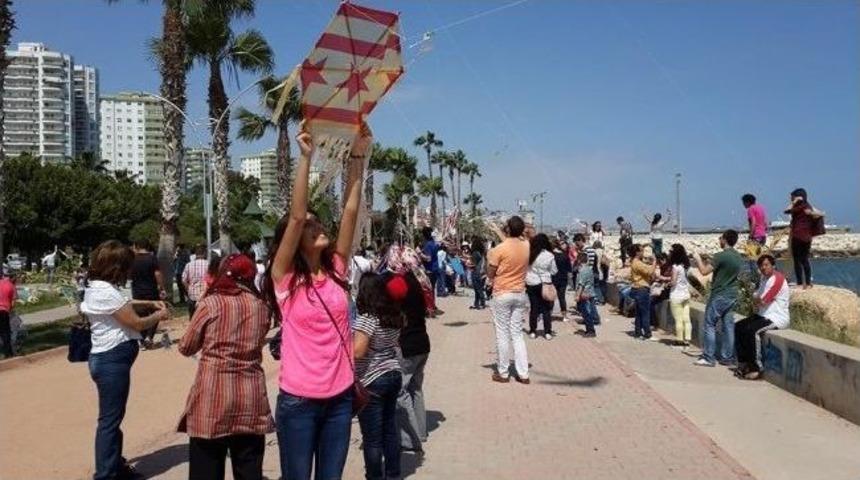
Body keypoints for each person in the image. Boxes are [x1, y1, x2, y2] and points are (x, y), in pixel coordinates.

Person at [262, 120, 370, 480]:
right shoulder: (286, 280)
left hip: (340, 398)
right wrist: (305, 157)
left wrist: (357, 156)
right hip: (299, 402)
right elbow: (296, 217)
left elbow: (350, 211)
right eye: (310, 226)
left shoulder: (337, 269)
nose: (317, 226)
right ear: (294, 239)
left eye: (317, 222)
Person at [177, 254, 274, 480]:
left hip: (213, 397)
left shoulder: (211, 304)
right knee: (249, 469)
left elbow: (186, 347)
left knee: (206, 468)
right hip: (250, 396)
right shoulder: (261, 306)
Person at [81, 240, 170, 480]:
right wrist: (159, 314)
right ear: (118, 267)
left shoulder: (97, 287)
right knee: (109, 421)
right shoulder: (106, 292)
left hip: (107, 358)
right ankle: (106, 474)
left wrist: (147, 302)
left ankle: (115, 465)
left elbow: (122, 305)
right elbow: (137, 323)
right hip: (112, 360)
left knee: (113, 417)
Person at [353, 273, 407, 480]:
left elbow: (358, 351)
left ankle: (374, 476)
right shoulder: (392, 315)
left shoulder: (368, 319)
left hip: (373, 378)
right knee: (389, 430)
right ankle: (393, 474)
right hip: (393, 373)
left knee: (372, 438)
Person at [486, 216, 531, 384]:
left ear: (508, 229)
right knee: (517, 334)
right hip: (520, 293)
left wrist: (489, 262)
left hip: (502, 293)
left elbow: (490, 273)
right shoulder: (526, 246)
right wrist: (498, 231)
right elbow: (513, 243)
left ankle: (503, 373)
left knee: (502, 333)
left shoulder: (499, 249)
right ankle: (523, 373)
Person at [734, 254, 790, 380]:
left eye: (766, 265)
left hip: (776, 318)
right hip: (763, 315)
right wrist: (757, 299)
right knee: (739, 326)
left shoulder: (777, 279)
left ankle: (756, 369)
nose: (763, 268)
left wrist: (756, 299)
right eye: (761, 266)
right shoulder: (764, 279)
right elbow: (756, 299)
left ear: (773, 266)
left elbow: (762, 301)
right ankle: (743, 362)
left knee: (752, 331)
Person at [693, 229, 744, 367]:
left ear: (725, 239)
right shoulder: (738, 257)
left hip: (719, 293)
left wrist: (697, 259)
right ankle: (727, 357)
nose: (719, 240)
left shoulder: (720, 256)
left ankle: (708, 357)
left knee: (709, 324)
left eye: (720, 237)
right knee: (728, 326)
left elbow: (704, 272)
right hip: (732, 294)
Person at [397, 270, 431, 453]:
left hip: (407, 346)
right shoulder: (418, 282)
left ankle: (410, 438)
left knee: (400, 391)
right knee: (415, 389)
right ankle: (421, 432)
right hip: (422, 343)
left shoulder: (400, 285)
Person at [130, 240, 165, 348]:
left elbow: (129, 275)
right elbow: (157, 274)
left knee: (141, 315)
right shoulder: (152, 258)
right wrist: (161, 287)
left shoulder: (133, 259)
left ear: (137, 246)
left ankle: (142, 339)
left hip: (137, 291)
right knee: (156, 312)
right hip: (151, 290)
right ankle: (149, 337)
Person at [526, 233, 558, 340]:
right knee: (546, 309)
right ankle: (547, 332)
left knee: (534, 308)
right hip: (545, 283)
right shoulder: (549, 255)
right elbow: (554, 271)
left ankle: (532, 331)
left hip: (531, 283)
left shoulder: (530, 253)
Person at [784, 188, 816, 289]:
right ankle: (808, 282)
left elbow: (786, 210)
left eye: (792, 197)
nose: (791, 199)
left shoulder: (799, 206)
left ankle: (800, 282)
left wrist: (794, 202)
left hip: (798, 236)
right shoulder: (808, 205)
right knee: (805, 259)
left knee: (797, 260)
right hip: (807, 237)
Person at [668, 244, 692, 350]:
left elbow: (673, 282)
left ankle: (679, 340)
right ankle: (687, 340)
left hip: (676, 295)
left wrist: (667, 284)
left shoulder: (675, 267)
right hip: (686, 294)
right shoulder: (686, 266)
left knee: (678, 319)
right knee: (686, 319)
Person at [629, 244, 655, 340]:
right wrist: (654, 262)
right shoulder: (637, 263)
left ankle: (638, 332)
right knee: (645, 313)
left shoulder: (634, 262)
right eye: (641, 250)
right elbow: (649, 272)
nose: (643, 252)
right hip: (642, 288)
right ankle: (647, 333)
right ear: (637, 252)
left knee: (639, 313)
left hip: (637, 288)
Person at [574, 253, 599, 337]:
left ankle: (591, 331)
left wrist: (577, 295)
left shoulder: (583, 271)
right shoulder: (588, 269)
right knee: (587, 312)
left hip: (585, 295)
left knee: (587, 314)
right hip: (590, 293)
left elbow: (581, 284)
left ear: (579, 260)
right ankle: (589, 330)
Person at [182, 245, 209, 318]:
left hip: (192, 295)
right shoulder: (209, 264)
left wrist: (188, 289)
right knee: (204, 318)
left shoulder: (188, 265)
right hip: (205, 296)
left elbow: (184, 280)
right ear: (205, 253)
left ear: (195, 254)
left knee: (193, 319)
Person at [551, 240, 572, 322]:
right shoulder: (565, 256)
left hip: (553, 278)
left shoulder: (551, 255)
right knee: (562, 297)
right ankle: (564, 316)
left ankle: (549, 314)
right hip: (563, 279)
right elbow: (569, 269)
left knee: (551, 297)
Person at [419, 227, 440, 308]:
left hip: (429, 269)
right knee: (432, 288)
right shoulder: (434, 243)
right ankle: (433, 305)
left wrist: (419, 253)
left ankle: (429, 306)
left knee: (427, 289)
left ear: (424, 235)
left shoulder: (428, 245)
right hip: (435, 268)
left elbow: (428, 258)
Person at [0, 272, 18, 358]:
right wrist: (10, 310)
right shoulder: (11, 286)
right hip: (4, 311)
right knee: (5, 332)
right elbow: (13, 303)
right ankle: (8, 353)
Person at [470, 236, 488, 310]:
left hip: (476, 272)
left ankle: (482, 303)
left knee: (478, 289)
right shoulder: (482, 253)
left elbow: (473, 264)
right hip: (482, 273)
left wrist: (467, 263)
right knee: (479, 289)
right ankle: (477, 303)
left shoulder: (475, 253)